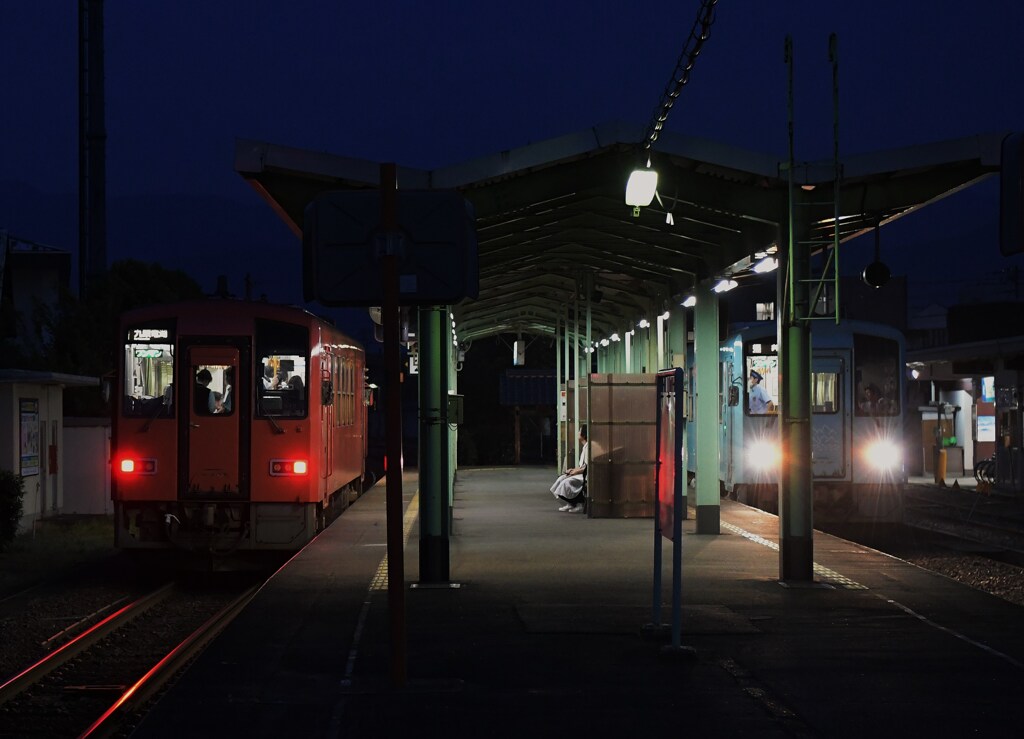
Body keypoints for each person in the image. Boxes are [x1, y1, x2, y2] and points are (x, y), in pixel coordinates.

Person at [550, 425, 588, 513]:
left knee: (566, 482)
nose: (578, 433)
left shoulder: (589, 448)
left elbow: (587, 467)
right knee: (561, 479)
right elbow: (583, 465)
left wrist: (575, 471)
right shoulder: (585, 447)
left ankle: (579, 503)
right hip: (582, 473)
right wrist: (573, 470)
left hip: (586, 475)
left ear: (584, 435)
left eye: (579, 431)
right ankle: (571, 503)